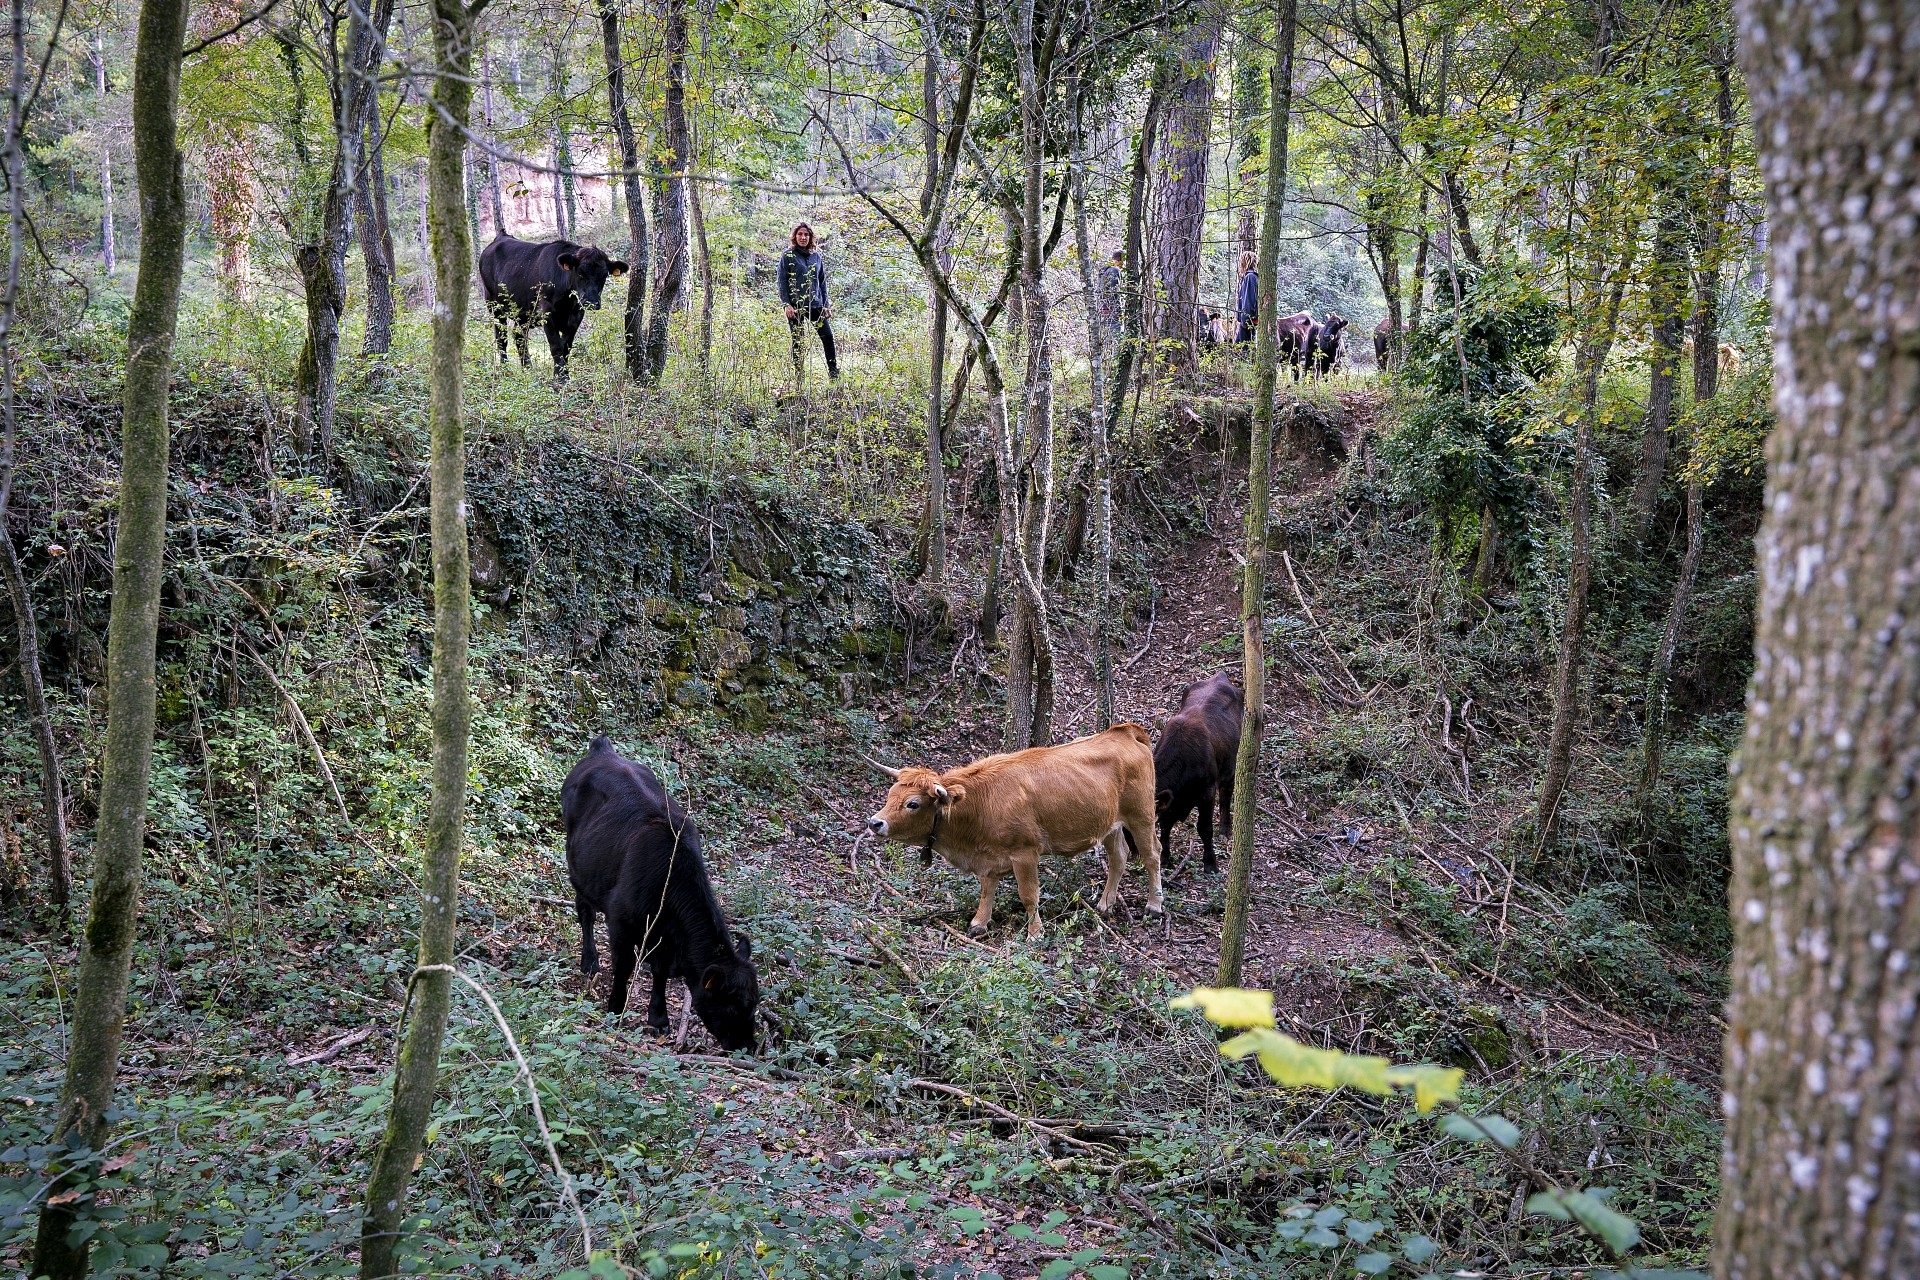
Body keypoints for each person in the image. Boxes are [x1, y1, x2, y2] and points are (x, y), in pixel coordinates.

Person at [778, 222, 838, 383]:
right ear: (795, 236)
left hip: (815, 305)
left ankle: (834, 375)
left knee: (828, 337)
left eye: (806, 234)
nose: (803, 237)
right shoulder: (787, 256)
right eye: (800, 234)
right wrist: (786, 304)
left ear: (810, 237)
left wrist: (826, 305)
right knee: (798, 341)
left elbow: (822, 282)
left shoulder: (816, 256)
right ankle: (799, 379)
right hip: (795, 307)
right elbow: (782, 281)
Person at [1097, 249, 1125, 346]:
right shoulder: (1115, 271)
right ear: (1118, 260)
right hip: (1112, 312)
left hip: (1102, 310)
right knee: (1116, 342)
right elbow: (1114, 292)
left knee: (1105, 342)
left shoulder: (1105, 271)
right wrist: (1118, 310)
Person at [1233, 250, 1258, 346]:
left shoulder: (1250, 277)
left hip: (1249, 323)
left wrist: (1246, 321)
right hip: (1249, 322)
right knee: (1238, 348)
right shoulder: (1252, 276)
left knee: (1244, 350)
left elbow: (1249, 301)